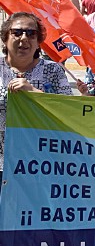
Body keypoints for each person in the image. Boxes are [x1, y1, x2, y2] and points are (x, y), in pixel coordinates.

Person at [0, 12, 73, 190]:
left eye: (31, 33)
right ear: (5, 38)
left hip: (38, 164)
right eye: (17, 32)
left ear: (38, 41)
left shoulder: (53, 71)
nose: (24, 38)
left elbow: (69, 112)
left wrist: (33, 92)